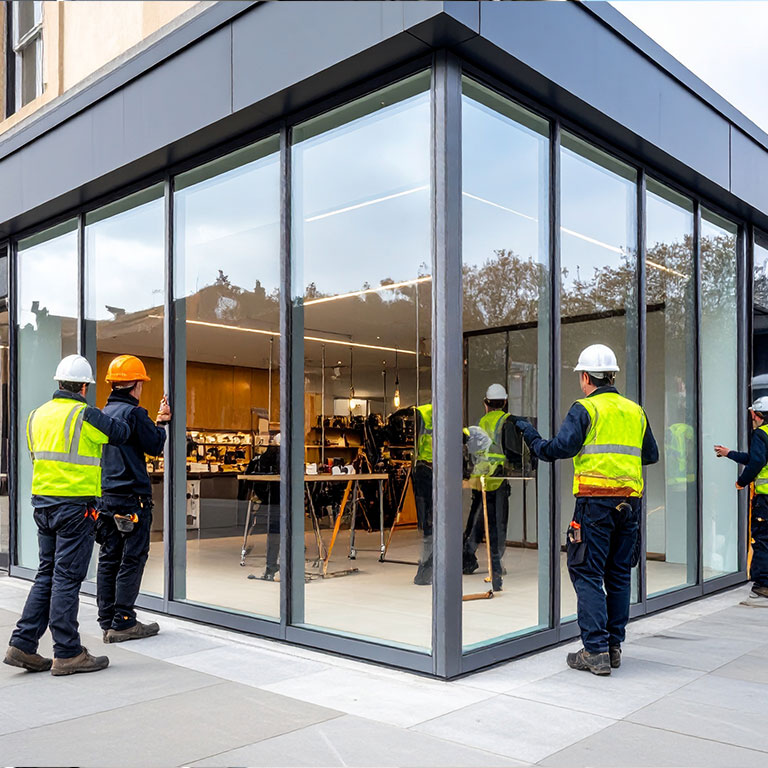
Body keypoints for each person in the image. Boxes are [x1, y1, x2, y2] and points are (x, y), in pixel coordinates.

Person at [517, 344, 658, 676]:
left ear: (585, 377)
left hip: (595, 504)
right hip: (629, 505)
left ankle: (594, 650)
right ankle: (613, 647)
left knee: (587, 573)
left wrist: (531, 436)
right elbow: (649, 455)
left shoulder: (585, 409)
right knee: (619, 574)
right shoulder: (634, 410)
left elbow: (557, 449)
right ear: (611, 375)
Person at [4, 355, 130, 675]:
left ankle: (23, 644)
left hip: (43, 506)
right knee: (67, 577)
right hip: (75, 508)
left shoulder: (36, 415)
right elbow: (121, 433)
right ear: (85, 387)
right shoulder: (84, 414)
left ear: (59, 383)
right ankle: (68, 651)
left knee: (47, 573)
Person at [97, 355, 171, 643]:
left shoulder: (104, 412)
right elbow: (153, 446)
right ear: (137, 384)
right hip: (133, 498)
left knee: (109, 557)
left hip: (107, 496)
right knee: (133, 557)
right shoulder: (135, 413)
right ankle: (124, 620)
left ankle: (107, 620)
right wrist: (162, 423)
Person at [462, 384, 524, 592]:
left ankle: (468, 556)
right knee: (497, 522)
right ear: (505, 402)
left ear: (486, 403)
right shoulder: (506, 422)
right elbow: (513, 453)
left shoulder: (482, 421)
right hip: (497, 476)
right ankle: (496, 563)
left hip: (480, 476)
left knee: (478, 518)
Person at [715, 396, 768, 607]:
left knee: (762, 539)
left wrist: (741, 482)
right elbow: (757, 457)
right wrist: (730, 454)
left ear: (757, 415)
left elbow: (756, 462)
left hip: (765, 499)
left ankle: (762, 588)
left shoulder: (760, 434)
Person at [413, 403, 433, 585]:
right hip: (430, 470)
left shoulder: (422, 412)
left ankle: (426, 571)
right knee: (432, 523)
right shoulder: (439, 412)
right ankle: (425, 572)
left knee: (428, 523)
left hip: (422, 469)